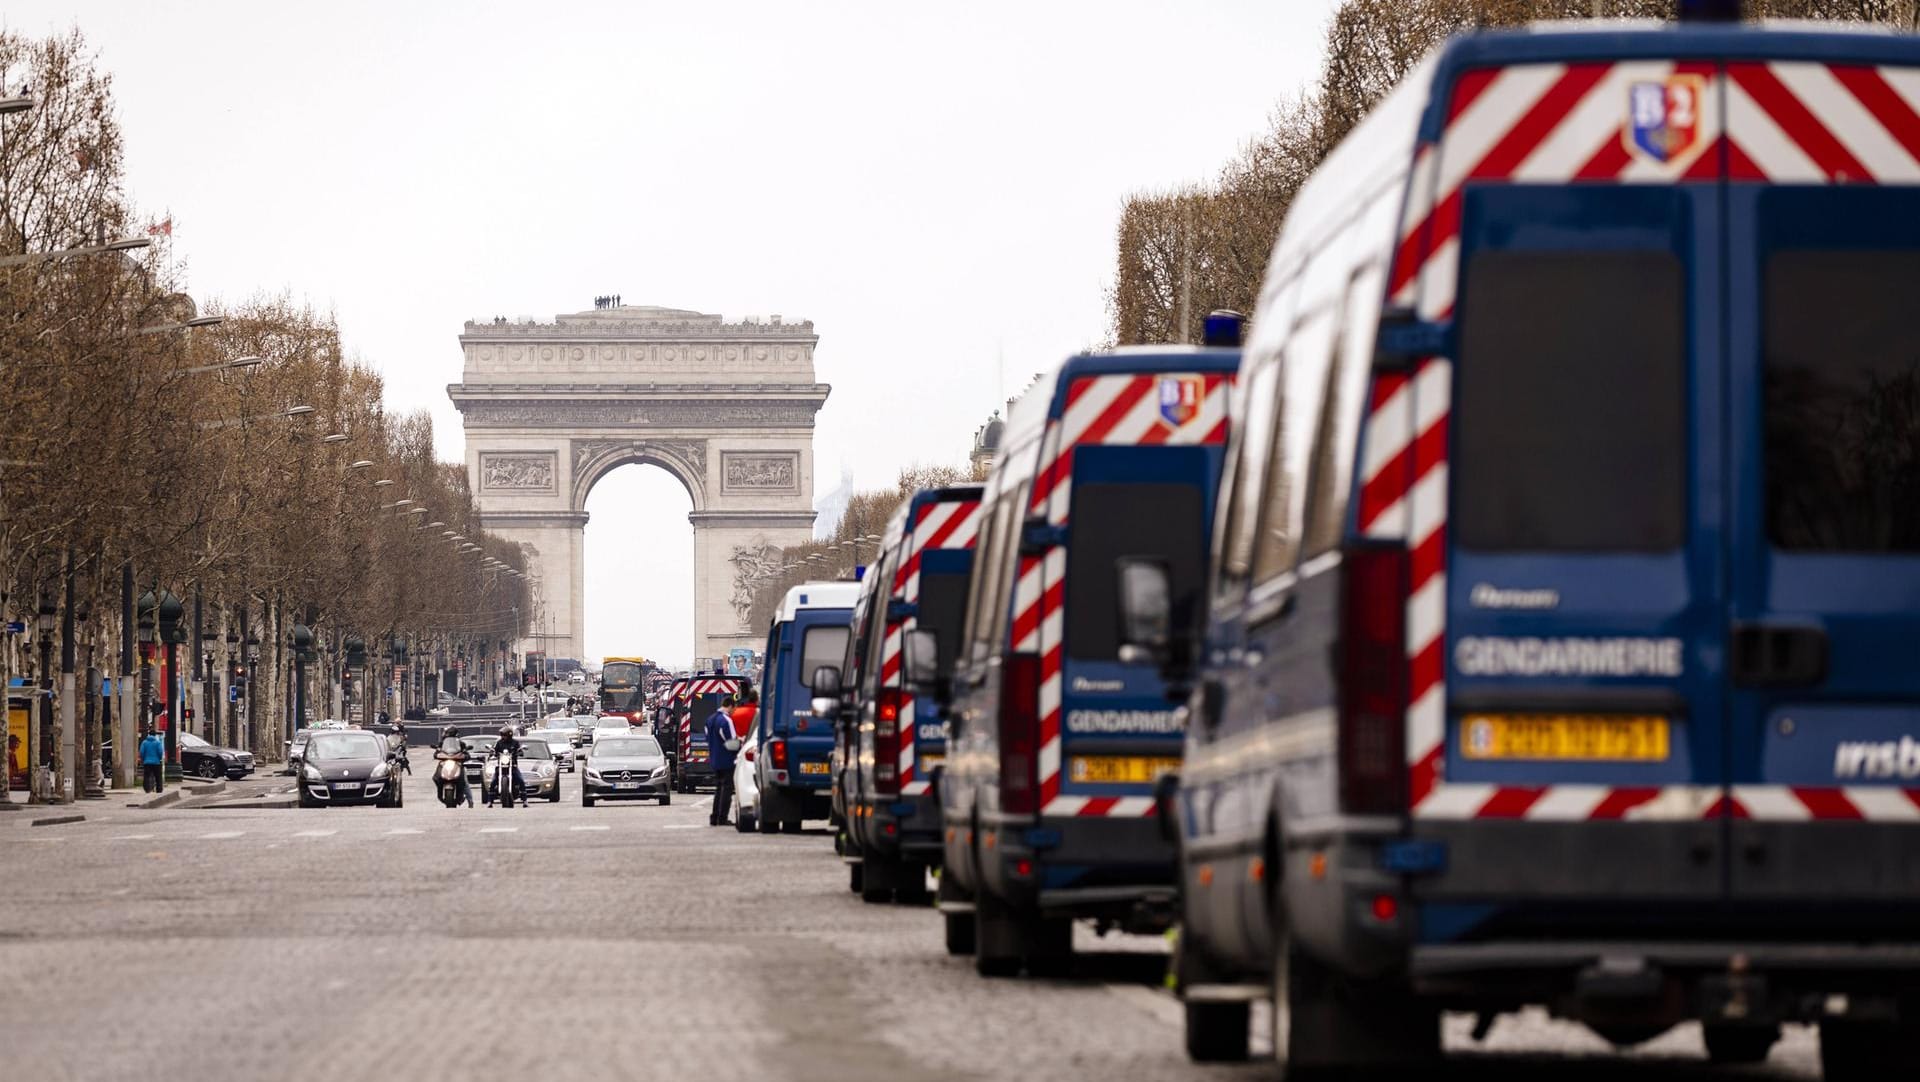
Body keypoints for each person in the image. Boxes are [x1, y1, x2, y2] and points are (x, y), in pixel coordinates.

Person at [706, 696, 740, 826]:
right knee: (727, 789)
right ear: (730, 706)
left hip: (714, 759)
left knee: (719, 788)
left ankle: (714, 817)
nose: (733, 711)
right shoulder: (726, 720)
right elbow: (732, 742)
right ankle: (722, 817)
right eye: (734, 708)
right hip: (727, 760)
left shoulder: (710, 720)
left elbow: (708, 738)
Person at [433, 725, 472, 808]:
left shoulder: (461, 743)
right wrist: (437, 753)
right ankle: (440, 792)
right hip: (445, 763)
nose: (444, 734)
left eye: (446, 732)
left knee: (464, 782)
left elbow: (467, 754)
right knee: (436, 777)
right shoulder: (442, 743)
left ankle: (470, 801)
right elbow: (436, 752)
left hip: (457, 764)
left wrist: (464, 755)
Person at [491, 724, 524, 807]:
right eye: (502, 735)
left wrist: (520, 752)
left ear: (509, 735)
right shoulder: (499, 743)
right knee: (492, 782)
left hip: (512, 766)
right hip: (501, 766)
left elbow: (520, 751)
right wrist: (492, 753)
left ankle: (525, 800)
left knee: (521, 781)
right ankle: (490, 801)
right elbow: (494, 750)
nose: (503, 737)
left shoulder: (515, 743)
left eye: (504, 735)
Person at [138, 726, 165, 794]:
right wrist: (159, 758)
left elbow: (141, 752)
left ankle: (147, 789)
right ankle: (159, 789)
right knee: (158, 777)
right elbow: (160, 752)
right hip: (156, 762)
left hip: (147, 762)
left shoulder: (144, 742)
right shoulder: (158, 742)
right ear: (155, 735)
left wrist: (143, 759)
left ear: (149, 734)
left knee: (146, 776)